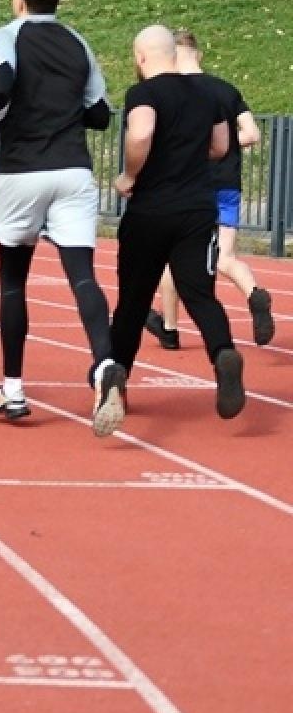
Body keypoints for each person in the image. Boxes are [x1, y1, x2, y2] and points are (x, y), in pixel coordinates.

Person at [0, 0, 126, 437]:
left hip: (23, 170)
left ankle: (13, 387)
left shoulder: (7, 35)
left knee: (13, 280)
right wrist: (60, 111)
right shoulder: (78, 41)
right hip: (73, 170)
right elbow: (100, 113)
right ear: (56, 1)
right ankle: (104, 363)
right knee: (82, 276)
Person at [111, 25, 243, 420]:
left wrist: (130, 176)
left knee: (133, 301)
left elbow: (142, 133)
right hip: (197, 209)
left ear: (141, 56)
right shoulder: (207, 94)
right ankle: (223, 353)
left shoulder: (144, 94)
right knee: (200, 293)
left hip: (151, 210)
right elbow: (220, 146)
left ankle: (116, 381)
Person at [145, 29, 273, 350]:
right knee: (225, 258)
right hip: (227, 184)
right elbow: (253, 134)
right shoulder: (225, 90)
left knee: (169, 258)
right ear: (199, 54)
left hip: (188, 186)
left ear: (172, 56)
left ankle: (171, 329)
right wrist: (224, 145)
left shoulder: (172, 93)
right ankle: (254, 294)